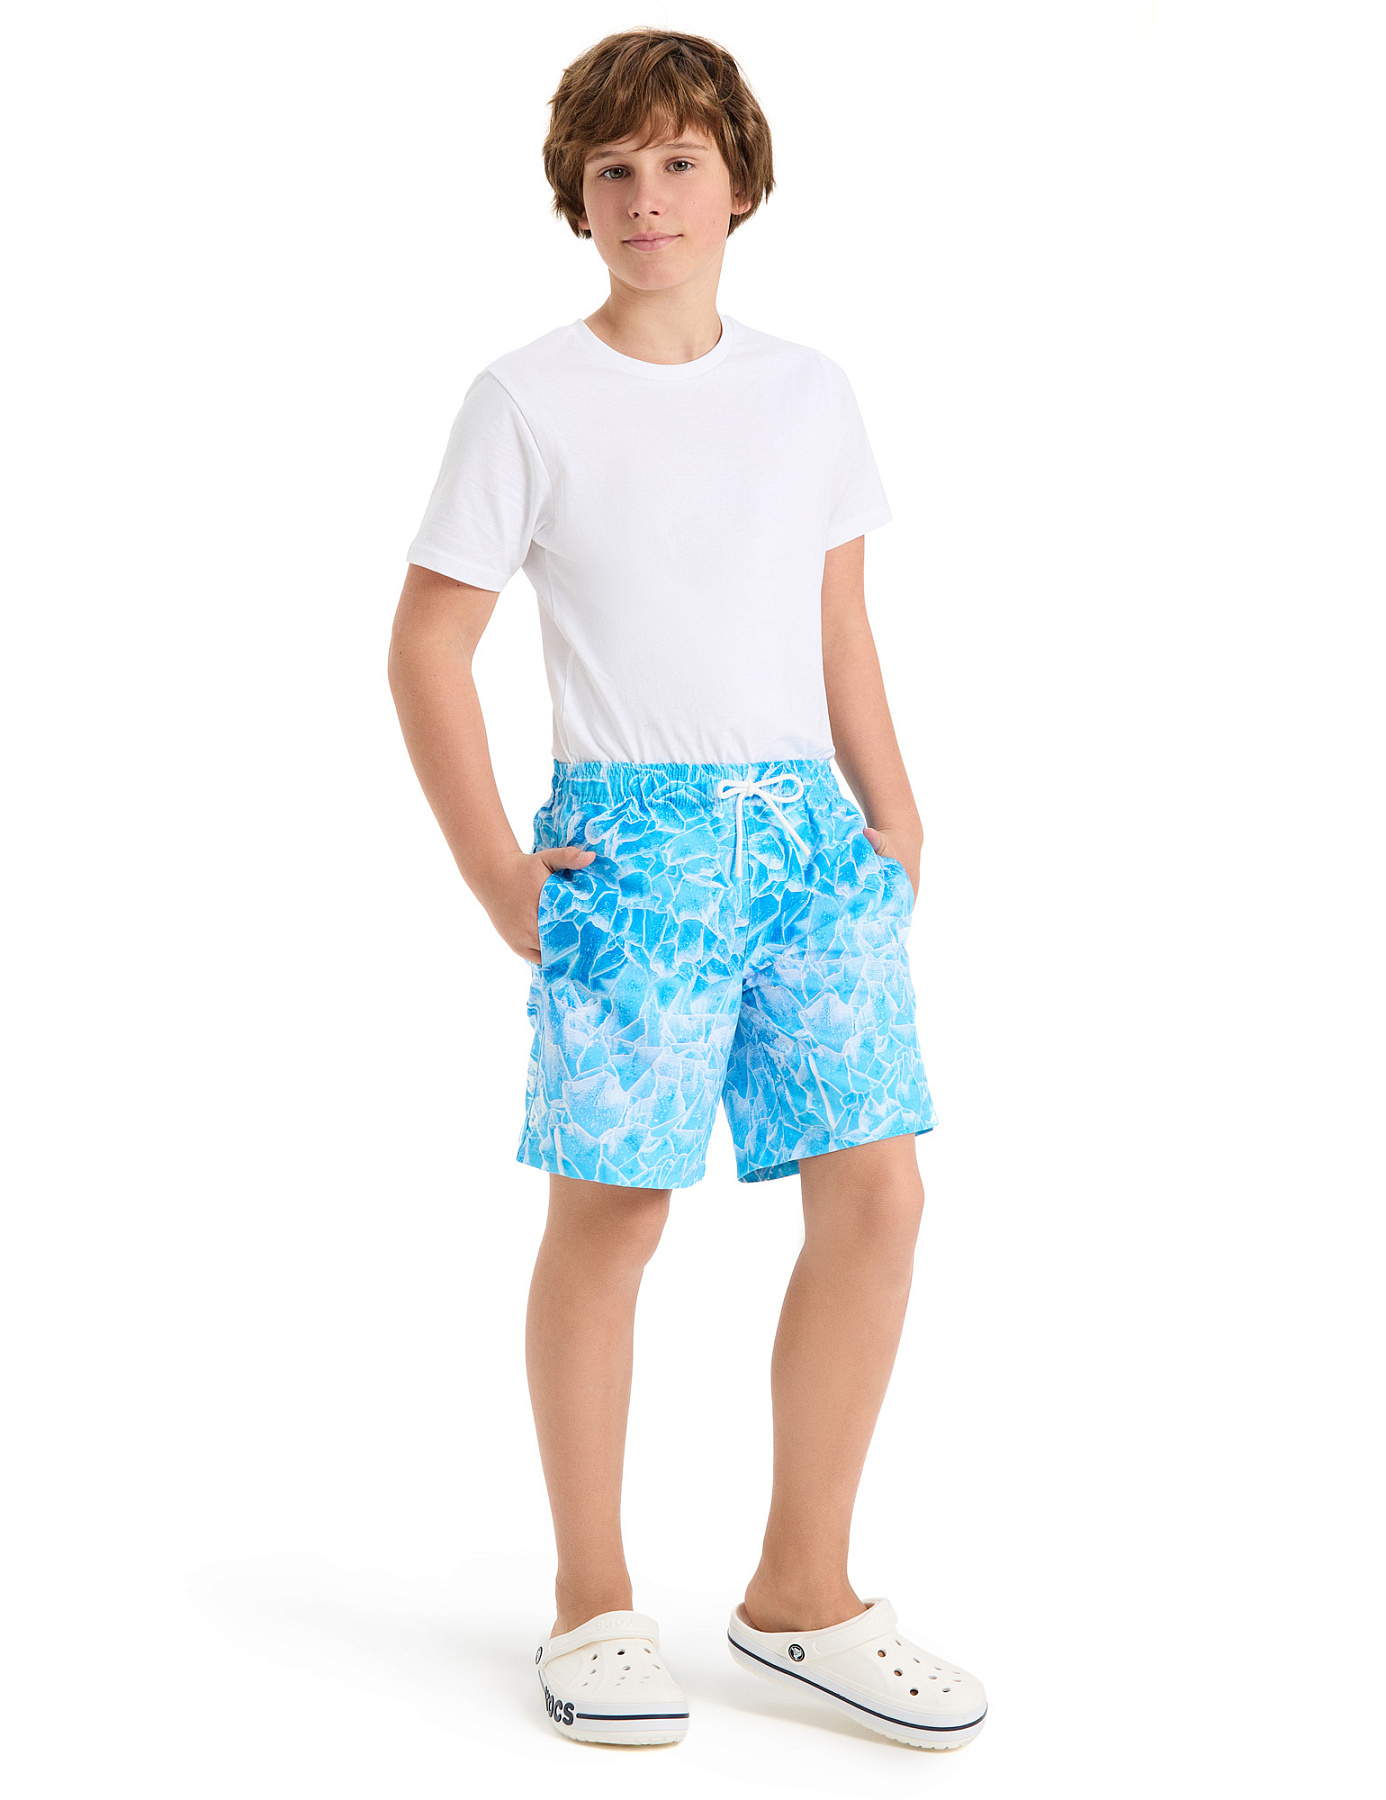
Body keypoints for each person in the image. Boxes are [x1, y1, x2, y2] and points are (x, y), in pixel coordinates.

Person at [387, 27, 986, 1753]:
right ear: (576, 200)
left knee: (877, 1194)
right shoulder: (526, 400)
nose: (647, 197)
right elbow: (426, 645)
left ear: (739, 185)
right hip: (633, 849)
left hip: (809, 842)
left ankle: (803, 1592)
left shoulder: (808, 392)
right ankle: (592, 1603)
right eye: (613, 170)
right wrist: (494, 868)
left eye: (678, 163)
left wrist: (892, 811)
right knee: (615, 1210)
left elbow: (836, 617)